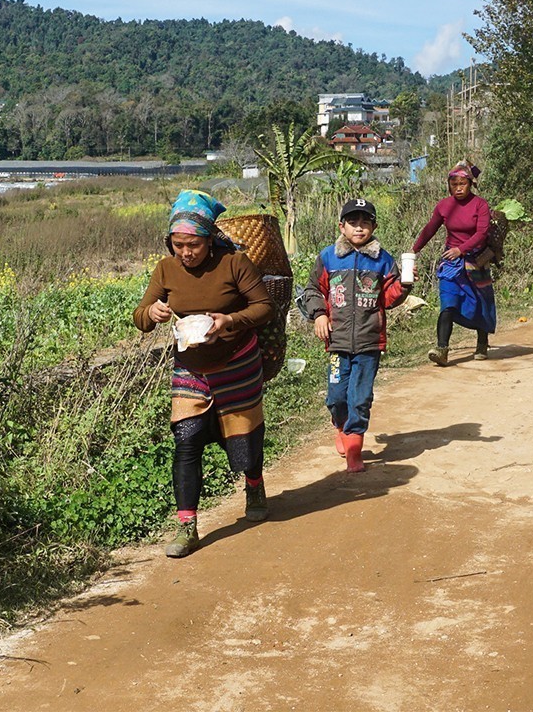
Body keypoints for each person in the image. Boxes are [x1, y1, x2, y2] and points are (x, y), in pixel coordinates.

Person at [133, 190, 275, 558]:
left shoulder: (234, 264)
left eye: (193, 244)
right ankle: (187, 525)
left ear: (209, 240)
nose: (186, 253)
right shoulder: (165, 269)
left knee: (241, 441)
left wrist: (230, 320)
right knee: (187, 440)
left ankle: (254, 484)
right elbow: (141, 315)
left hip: (238, 363)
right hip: (191, 368)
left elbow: (264, 307)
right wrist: (152, 314)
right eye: (178, 245)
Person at [300, 198, 411, 472]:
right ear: (342, 226)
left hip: (369, 341)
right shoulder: (328, 257)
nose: (359, 228)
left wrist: (404, 286)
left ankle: (354, 448)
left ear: (374, 226)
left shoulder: (383, 260)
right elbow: (313, 289)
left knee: (359, 397)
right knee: (337, 397)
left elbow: (387, 297)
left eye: (365, 222)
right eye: (353, 222)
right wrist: (319, 315)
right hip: (337, 342)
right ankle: (341, 426)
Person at [411, 160, 497, 366]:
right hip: (451, 265)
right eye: (454, 184)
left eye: (462, 184)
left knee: (480, 302)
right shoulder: (443, 206)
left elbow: (482, 232)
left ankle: (482, 342)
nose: (458, 188)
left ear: (470, 184)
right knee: (448, 303)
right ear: (448, 185)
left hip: (476, 262)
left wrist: (462, 249)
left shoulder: (480, 205)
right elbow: (429, 229)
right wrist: (413, 250)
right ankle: (442, 348)